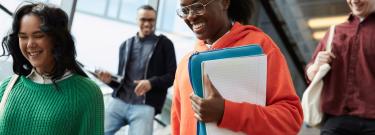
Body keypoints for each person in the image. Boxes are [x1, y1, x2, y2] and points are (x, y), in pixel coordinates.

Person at [171, 0, 303, 134]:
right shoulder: (184, 65)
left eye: (198, 7)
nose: (190, 16)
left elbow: (290, 120)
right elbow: (177, 127)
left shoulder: (261, 46)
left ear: (224, 3)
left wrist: (226, 112)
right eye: (185, 10)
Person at [0, 3, 104, 135]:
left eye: (38, 35)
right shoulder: (7, 87)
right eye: (23, 37)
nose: (30, 44)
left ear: (56, 39)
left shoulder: (87, 93)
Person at [96, 5, 177, 135]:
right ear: (136, 20)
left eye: (151, 20)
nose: (147, 23)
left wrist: (151, 83)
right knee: (96, 132)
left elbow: (173, 76)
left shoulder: (165, 44)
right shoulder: (125, 45)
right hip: (119, 102)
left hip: (144, 107)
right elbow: (122, 81)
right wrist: (109, 80)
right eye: (143, 19)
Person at [306, 0, 375, 134]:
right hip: (337, 120)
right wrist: (315, 67)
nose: (354, 0)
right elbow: (311, 73)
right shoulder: (334, 31)